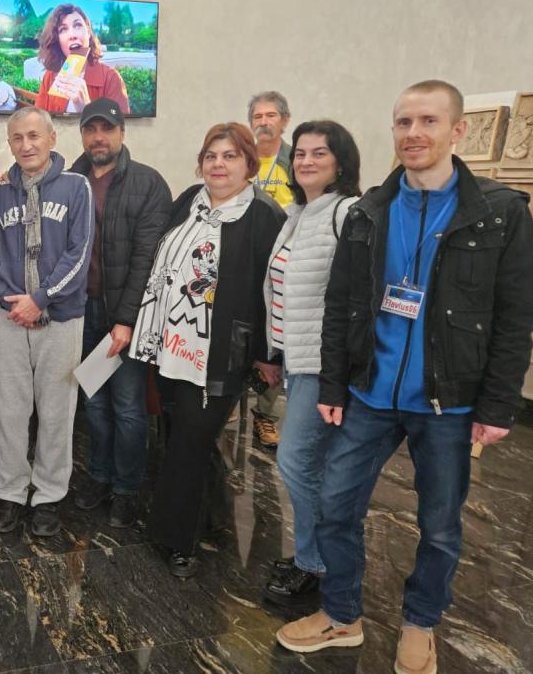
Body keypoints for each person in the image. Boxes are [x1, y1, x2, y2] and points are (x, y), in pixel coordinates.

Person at [277, 81, 533, 674]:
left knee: (439, 526)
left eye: (428, 121)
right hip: (370, 392)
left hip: (448, 402)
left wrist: (499, 405)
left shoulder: (499, 213)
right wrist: (334, 385)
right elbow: (342, 305)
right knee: (334, 506)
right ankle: (341, 615)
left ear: (457, 130)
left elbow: (515, 317)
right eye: (403, 122)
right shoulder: (370, 211)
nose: (413, 134)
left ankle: (420, 625)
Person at [131, 122, 285, 578]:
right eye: (211, 156)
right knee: (183, 437)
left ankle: (177, 540)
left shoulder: (262, 215)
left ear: (248, 164)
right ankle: (213, 518)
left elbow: (272, 294)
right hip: (169, 344)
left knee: (190, 441)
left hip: (219, 354)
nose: (219, 164)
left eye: (230, 156)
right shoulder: (189, 201)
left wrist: (266, 355)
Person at [260, 120, 362, 604]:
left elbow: (353, 298)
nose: (305, 161)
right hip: (296, 358)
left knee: (296, 461)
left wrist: (335, 373)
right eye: (299, 153)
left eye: (319, 153)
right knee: (308, 462)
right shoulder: (297, 214)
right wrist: (273, 352)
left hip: (324, 365)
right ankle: (315, 555)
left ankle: (316, 562)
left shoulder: (347, 213)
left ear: (340, 162)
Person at [0, 107, 92, 537]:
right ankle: (10, 492)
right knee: (8, 409)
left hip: (61, 319)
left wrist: (40, 299)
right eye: (17, 138)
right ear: (10, 144)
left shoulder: (76, 187)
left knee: (57, 410)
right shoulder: (0, 192)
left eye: (33, 136)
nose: (26, 145)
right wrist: (11, 302)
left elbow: (79, 253)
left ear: (51, 139)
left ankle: (48, 495)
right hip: (10, 317)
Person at [68, 98, 172, 528]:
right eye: (90, 129)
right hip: (80, 314)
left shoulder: (148, 183)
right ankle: (99, 476)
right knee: (93, 402)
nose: (98, 137)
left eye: (106, 129)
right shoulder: (69, 180)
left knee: (128, 406)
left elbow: (148, 259)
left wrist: (126, 319)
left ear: (122, 133)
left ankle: (127, 490)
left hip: (124, 316)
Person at [246, 90, 295, 448]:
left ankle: (265, 414)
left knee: (273, 345)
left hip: (281, 270)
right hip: (244, 263)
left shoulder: (297, 160)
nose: (263, 122)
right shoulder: (241, 156)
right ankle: (229, 404)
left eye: (271, 116)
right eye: (257, 117)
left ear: (284, 121)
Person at [35, 4, 129, 115]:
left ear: (88, 32)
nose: (72, 35)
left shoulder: (111, 79)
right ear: (58, 40)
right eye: (63, 29)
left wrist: (86, 109)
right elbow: (38, 120)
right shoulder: (50, 77)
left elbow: (121, 124)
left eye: (78, 25)